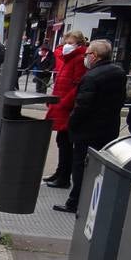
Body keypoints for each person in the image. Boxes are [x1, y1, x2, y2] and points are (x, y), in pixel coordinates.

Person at [55, 39, 125, 214]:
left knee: (80, 166)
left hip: (87, 130)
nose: (85, 57)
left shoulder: (91, 76)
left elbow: (83, 106)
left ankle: (75, 202)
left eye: (87, 54)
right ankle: (91, 199)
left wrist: (72, 124)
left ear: (94, 56)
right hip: (108, 128)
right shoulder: (118, 72)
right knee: (96, 167)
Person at [43, 31, 88, 189]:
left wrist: (63, 103)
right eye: (66, 42)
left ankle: (64, 177)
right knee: (62, 141)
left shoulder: (79, 60)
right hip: (61, 104)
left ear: (79, 43)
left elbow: (77, 85)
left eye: (71, 42)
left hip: (67, 107)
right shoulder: (68, 58)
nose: (67, 45)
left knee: (66, 142)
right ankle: (60, 171)